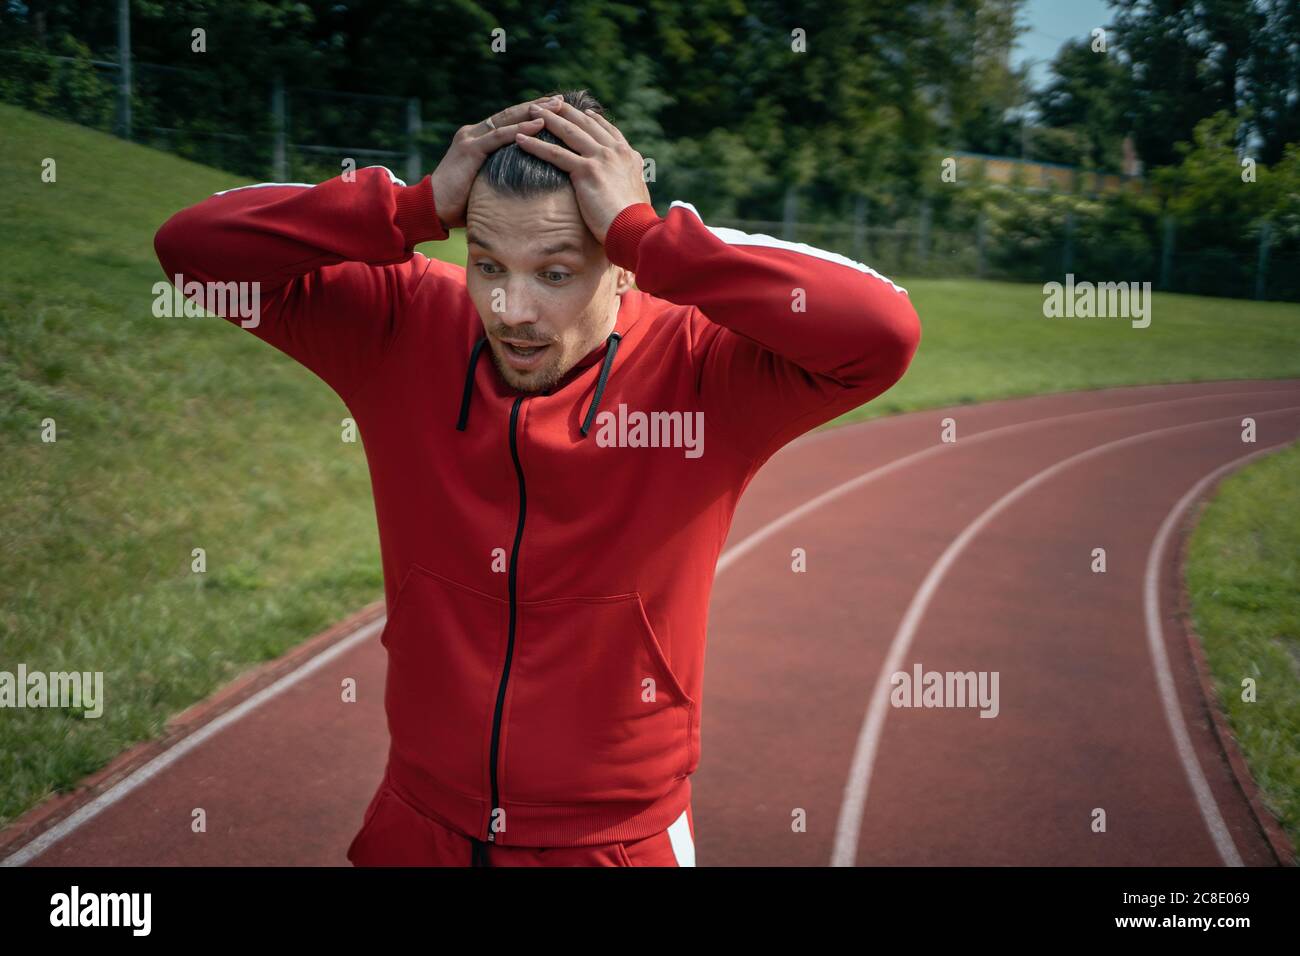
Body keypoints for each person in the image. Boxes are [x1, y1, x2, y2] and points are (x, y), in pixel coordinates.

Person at [153, 88, 921, 867]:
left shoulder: (702, 373)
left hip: (614, 842)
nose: (511, 309)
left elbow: (881, 331)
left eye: (555, 273)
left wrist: (652, 238)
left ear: (626, 273)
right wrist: (410, 208)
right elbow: (191, 248)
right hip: (419, 822)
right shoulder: (402, 324)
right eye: (488, 265)